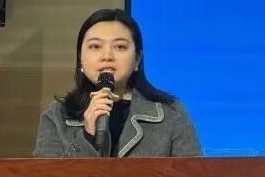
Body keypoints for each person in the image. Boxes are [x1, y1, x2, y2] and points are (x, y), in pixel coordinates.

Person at [33, 8, 201, 158]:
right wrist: (87, 137)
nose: (107, 56)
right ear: (80, 58)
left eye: (120, 47)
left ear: (137, 59)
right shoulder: (56, 116)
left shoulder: (171, 114)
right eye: (95, 46)